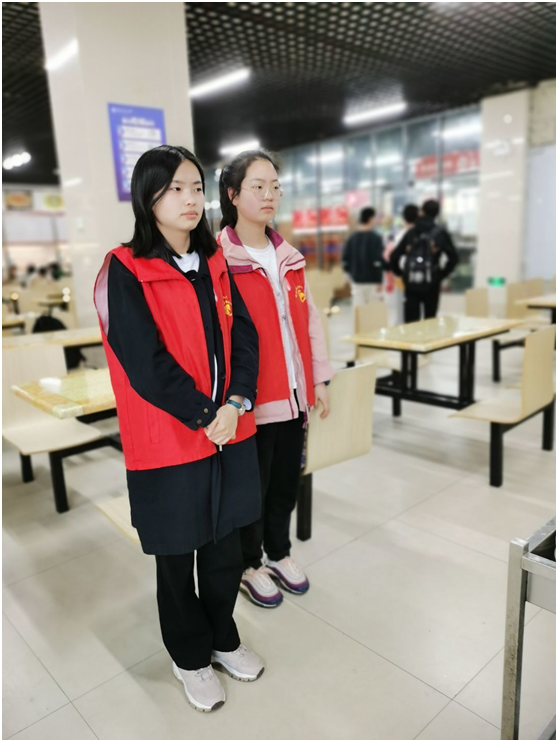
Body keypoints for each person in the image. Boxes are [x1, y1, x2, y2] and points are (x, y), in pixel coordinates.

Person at [93, 145, 264, 714]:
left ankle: (222, 638)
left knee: (224, 549)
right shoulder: (124, 269)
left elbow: (245, 338)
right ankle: (189, 656)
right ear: (149, 198)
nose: (190, 200)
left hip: (228, 430)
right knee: (176, 555)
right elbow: (144, 362)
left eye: (196, 188)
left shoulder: (215, 261)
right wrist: (205, 414)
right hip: (169, 438)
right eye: (174, 189)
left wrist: (236, 402)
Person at [218, 150, 334, 609]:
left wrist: (318, 379)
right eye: (257, 186)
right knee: (253, 488)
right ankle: (250, 564)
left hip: (293, 396)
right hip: (252, 399)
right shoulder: (220, 259)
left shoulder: (288, 256)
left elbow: (309, 320)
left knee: (286, 481)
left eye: (275, 186)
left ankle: (279, 552)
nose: (270, 195)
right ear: (232, 195)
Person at [389, 199, 458, 323]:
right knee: (430, 321)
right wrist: (441, 274)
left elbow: (394, 257)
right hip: (432, 282)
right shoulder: (440, 233)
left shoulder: (411, 232)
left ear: (421, 212)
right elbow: (454, 258)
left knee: (411, 323)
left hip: (411, 282)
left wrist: (402, 274)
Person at [383, 204, 419, 325]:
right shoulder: (419, 234)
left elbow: (391, 256)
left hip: (401, 275)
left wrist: (397, 273)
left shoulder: (398, 235)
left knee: (399, 307)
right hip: (416, 276)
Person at [342, 206, 385, 306]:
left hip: (356, 281)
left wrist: (349, 275)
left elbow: (345, 260)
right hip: (373, 280)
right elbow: (378, 260)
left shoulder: (352, 238)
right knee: (373, 310)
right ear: (370, 219)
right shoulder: (376, 238)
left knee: (358, 309)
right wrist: (379, 279)